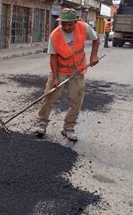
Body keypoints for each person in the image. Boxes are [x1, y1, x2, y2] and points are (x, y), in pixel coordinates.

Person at [33, 8, 100, 142]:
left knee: (76, 101)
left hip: (77, 71)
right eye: (64, 24)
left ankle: (68, 128)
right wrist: (56, 78)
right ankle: (42, 124)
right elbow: (53, 58)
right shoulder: (55, 35)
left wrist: (94, 55)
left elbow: (96, 39)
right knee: (48, 97)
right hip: (59, 70)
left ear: (76, 22)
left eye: (70, 24)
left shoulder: (84, 27)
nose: (67, 27)